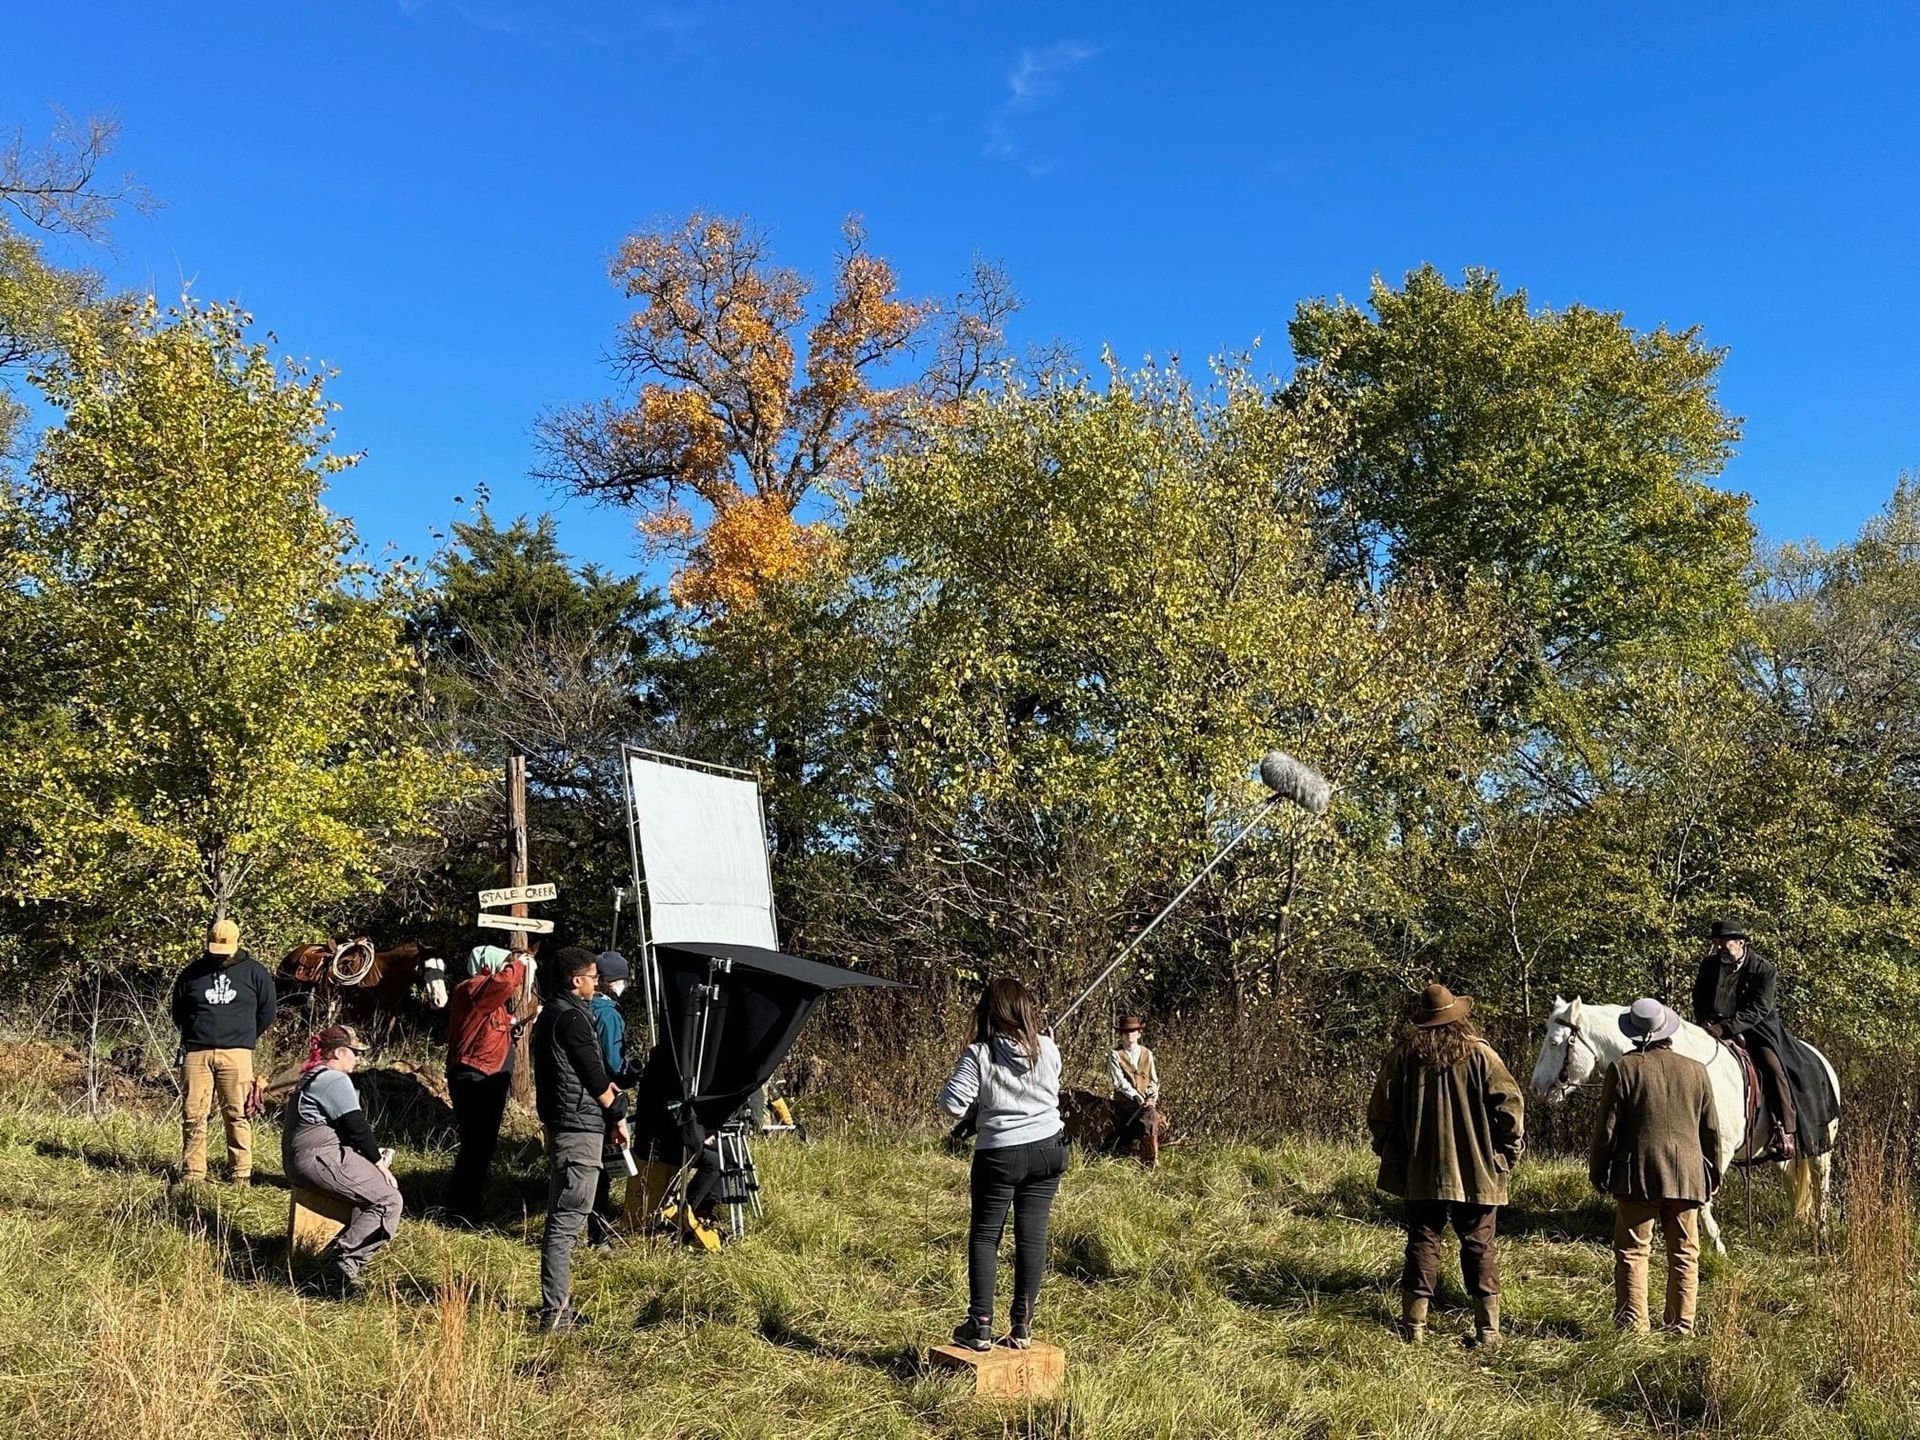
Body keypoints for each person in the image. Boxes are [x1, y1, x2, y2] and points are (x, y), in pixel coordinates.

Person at [1366, 983, 1526, 1348]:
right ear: (1459, 1017)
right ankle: (1488, 1332)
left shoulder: (1403, 1056)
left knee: (1423, 1241)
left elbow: (1380, 1113)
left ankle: (1414, 1329)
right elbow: (1510, 1108)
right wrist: (1507, 1152)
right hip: (1478, 1168)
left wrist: (1390, 1152)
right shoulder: (1482, 1056)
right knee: (1479, 1244)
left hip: (1420, 1168)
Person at [939, 976, 1068, 1353]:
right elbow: (1052, 1085)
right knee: (1032, 1236)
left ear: (989, 1012)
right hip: (1050, 1148)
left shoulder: (979, 1054)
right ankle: (1022, 1326)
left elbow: (951, 1103)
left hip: (1000, 1153)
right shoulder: (1047, 1047)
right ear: (1026, 1011)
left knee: (985, 1236)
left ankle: (980, 1325)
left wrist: (978, 1106)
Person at [1590, 998, 1723, 1335]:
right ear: (1669, 1030)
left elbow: (1607, 1132)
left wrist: (1599, 1171)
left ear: (1633, 1032)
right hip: (1689, 1177)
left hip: (1638, 1176)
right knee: (1684, 1254)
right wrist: (1713, 1173)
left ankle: (1634, 1329)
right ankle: (1681, 1325)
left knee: (1633, 1251)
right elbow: (1710, 1131)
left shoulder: (1623, 1069)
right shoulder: (1697, 1070)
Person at [532, 946, 628, 1332]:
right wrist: (617, 1111)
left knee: (564, 1217)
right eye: (592, 976)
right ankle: (555, 1313)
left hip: (567, 1124)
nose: (597, 982)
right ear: (577, 981)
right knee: (567, 1221)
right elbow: (593, 1073)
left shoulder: (553, 1014)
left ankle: (558, 1307)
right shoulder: (572, 1018)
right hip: (578, 1130)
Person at [282, 1024, 402, 1297]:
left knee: (371, 1192)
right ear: (338, 1052)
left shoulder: (312, 1075)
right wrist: (378, 1162)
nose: (357, 1059)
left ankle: (340, 1257)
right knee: (388, 1200)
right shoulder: (334, 1079)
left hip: (304, 1158)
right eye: (354, 1052)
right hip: (319, 1157)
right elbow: (356, 1126)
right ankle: (342, 1263)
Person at [169, 917, 277, 1187]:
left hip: (237, 1053)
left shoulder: (256, 973)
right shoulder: (191, 973)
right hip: (196, 1052)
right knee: (194, 1113)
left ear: (236, 943)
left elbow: (267, 1012)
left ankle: (241, 1174)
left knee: (238, 1113)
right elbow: (179, 1011)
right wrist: (196, 1034)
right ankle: (193, 1174)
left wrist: (243, 1038)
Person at [442, 941, 533, 1224]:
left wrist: (510, 1032)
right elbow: (504, 982)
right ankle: (462, 1211)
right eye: (501, 963)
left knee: (481, 1146)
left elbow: (489, 1028)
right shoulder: (473, 987)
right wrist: (520, 962)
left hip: (487, 1075)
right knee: (476, 1146)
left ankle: (466, 1206)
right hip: (476, 1076)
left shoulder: (484, 997)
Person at [1692, 917, 1796, 1159]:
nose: (1719, 948)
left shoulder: (1764, 970)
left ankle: (1784, 1131)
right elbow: (1699, 996)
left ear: (1740, 943)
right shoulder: (1709, 965)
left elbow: (1758, 1009)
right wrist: (1706, 1020)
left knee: (1772, 1067)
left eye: (1724, 943)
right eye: (1717, 943)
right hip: (1713, 1025)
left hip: (1754, 1029)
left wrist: (1726, 1028)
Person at [587, 950, 639, 1248]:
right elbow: (613, 1061)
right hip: (604, 1096)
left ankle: (591, 1231)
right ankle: (598, 1235)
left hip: (580, 1097)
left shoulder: (582, 1006)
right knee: (603, 1170)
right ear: (615, 981)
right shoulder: (607, 1014)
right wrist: (632, 1073)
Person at [1107, 1014, 1164, 1167]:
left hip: (1145, 1100)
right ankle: (1150, 1159)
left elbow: (1153, 1080)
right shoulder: (1115, 1055)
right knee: (1148, 1115)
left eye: (1132, 1032)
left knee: (1150, 1113)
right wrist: (1135, 1095)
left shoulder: (1147, 1053)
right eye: (1126, 1032)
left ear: (1139, 1034)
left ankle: (1149, 1158)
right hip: (1125, 1099)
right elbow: (1119, 1082)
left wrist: (1152, 1097)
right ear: (1121, 1035)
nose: (1129, 1035)